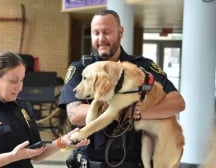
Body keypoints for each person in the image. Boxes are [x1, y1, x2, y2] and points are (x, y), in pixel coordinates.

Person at [58, 9, 185, 167]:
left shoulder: (143, 67)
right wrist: (120, 109)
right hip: (93, 161)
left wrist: (138, 113)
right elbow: (75, 114)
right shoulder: (80, 68)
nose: (101, 38)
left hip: (134, 161)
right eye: (95, 33)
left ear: (120, 32)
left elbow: (177, 103)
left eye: (107, 32)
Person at [0, 51, 90, 168]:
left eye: (22, 80)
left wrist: (62, 141)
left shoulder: (23, 107)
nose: (19, 87)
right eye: (14, 81)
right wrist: (12, 157)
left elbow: (36, 153)